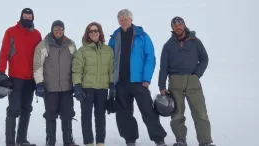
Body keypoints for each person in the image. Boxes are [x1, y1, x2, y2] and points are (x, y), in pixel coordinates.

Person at [108, 9, 167, 146]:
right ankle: (130, 139)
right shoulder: (114, 37)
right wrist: (112, 80)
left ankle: (159, 139)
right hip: (121, 82)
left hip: (139, 82)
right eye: (120, 19)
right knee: (124, 113)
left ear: (131, 20)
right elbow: (109, 60)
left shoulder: (142, 36)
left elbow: (150, 58)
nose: (123, 21)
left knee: (148, 111)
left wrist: (146, 79)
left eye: (125, 19)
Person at [158, 16, 215, 146]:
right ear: (172, 28)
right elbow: (163, 67)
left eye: (180, 24)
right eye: (175, 25)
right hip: (175, 81)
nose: (178, 27)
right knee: (177, 113)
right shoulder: (168, 45)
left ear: (184, 25)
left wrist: (197, 74)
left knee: (200, 112)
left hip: (192, 80)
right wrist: (161, 86)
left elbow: (204, 59)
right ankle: (180, 140)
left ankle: (205, 141)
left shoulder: (195, 41)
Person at [0, 8, 42, 146]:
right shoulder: (11, 32)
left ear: (32, 18)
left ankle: (21, 140)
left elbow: (40, 57)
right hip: (15, 78)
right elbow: (4, 53)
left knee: (26, 109)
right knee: (14, 109)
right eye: (25, 16)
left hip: (30, 79)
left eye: (29, 17)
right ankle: (10, 142)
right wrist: (1, 71)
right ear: (21, 17)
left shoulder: (37, 34)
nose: (27, 18)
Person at [33, 20, 79, 146]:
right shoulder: (43, 45)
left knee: (67, 114)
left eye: (60, 29)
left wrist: (76, 83)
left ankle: (68, 140)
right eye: (56, 29)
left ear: (64, 30)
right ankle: (50, 141)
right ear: (52, 30)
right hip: (50, 88)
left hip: (66, 87)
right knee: (50, 115)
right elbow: (38, 66)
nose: (58, 32)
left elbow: (76, 65)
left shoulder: (70, 45)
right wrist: (40, 83)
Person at [72, 22, 115, 146]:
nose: (93, 33)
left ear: (100, 32)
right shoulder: (82, 51)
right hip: (87, 88)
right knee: (86, 116)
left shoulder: (108, 50)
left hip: (102, 88)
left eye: (96, 31)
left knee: (100, 116)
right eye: (90, 31)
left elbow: (111, 69)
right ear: (87, 34)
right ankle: (89, 142)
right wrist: (77, 86)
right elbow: (77, 69)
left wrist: (112, 84)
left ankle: (100, 142)